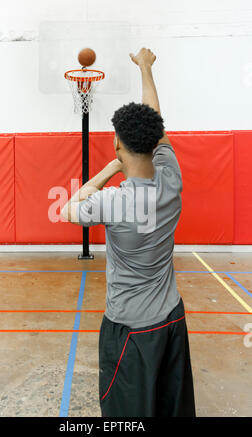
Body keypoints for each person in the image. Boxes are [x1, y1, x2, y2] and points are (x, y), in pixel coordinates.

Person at [61, 48, 195, 417]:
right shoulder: (171, 178)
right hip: (172, 320)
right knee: (171, 408)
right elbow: (156, 123)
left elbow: (66, 209)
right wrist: (147, 68)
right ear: (154, 143)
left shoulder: (113, 202)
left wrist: (106, 171)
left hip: (130, 331)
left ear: (118, 144)